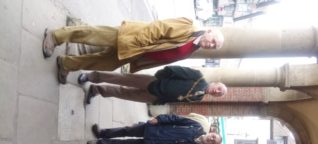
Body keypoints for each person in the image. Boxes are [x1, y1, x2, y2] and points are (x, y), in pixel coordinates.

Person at [42, 17, 224, 84]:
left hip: (136, 54)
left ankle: (66, 64)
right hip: (133, 39)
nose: (211, 45)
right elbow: (159, 28)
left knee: (101, 63)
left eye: (214, 47)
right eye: (213, 40)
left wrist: (139, 62)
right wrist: (137, 41)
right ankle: (56, 36)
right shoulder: (189, 28)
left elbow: (164, 57)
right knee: (92, 35)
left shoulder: (193, 48)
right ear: (209, 31)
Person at [86, 113, 222, 144]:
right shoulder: (196, 126)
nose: (211, 139)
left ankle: (100, 143)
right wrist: (159, 119)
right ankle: (102, 133)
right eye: (213, 137)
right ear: (212, 132)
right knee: (126, 131)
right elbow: (175, 118)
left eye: (213, 142)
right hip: (154, 129)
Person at [79, 65, 227, 104]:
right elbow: (174, 70)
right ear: (216, 83)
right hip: (154, 82)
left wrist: (158, 101)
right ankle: (91, 76)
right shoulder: (198, 78)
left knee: (123, 93)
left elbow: (176, 100)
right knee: (121, 78)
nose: (217, 91)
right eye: (219, 88)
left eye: (219, 94)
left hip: (154, 97)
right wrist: (159, 79)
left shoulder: (199, 99)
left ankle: (96, 90)